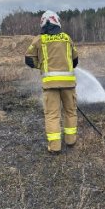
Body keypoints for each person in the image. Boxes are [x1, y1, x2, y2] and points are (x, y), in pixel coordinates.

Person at [24, 11, 80, 153]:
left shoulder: (38, 40)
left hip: (50, 85)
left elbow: (29, 59)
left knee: (52, 115)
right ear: (57, 22)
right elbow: (75, 60)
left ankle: (55, 147)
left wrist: (41, 65)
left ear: (43, 23)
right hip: (68, 85)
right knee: (70, 112)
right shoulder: (67, 38)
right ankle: (70, 141)